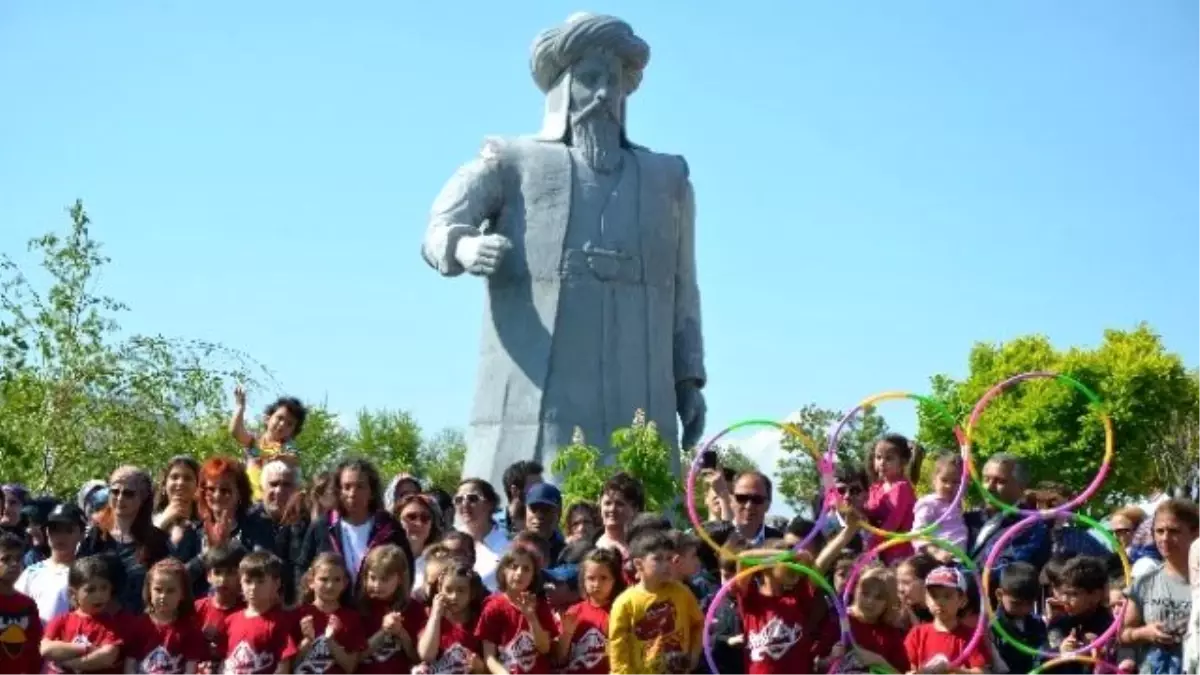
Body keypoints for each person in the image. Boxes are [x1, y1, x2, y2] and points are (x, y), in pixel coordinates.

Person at [420, 12, 708, 491]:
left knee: (641, 497)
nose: (603, 94)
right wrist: (464, 246)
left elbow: (684, 289)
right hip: (542, 380)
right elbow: (439, 226)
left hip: (636, 383)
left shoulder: (666, 180)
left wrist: (688, 378)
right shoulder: (511, 161)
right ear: (561, 87)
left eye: (613, 81)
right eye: (589, 79)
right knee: (537, 489)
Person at [296, 458, 416, 591]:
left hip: (377, 603)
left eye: (360, 486)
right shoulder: (322, 526)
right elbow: (303, 569)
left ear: (371, 491)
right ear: (338, 491)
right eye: (347, 487)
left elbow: (406, 571)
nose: (353, 493)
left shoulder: (389, 527)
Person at [732, 540, 838, 674]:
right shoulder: (751, 600)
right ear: (767, 566)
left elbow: (822, 562)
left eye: (794, 563)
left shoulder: (798, 599)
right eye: (788, 562)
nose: (793, 567)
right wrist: (788, 555)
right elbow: (743, 558)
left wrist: (849, 531)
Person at [1121, 498, 1199, 674]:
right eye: (1159, 531)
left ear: (1196, 533)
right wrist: (1145, 633)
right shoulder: (1144, 582)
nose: (1165, 538)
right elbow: (1122, 634)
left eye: (1174, 531)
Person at [78, 466, 171, 613]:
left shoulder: (158, 541)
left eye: (129, 493)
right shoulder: (94, 536)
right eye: (115, 491)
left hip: (142, 621)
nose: (120, 498)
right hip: (100, 621)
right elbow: (78, 582)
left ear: (143, 497)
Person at [608, 532, 702, 674]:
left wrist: (694, 655)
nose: (666, 565)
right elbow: (618, 648)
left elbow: (698, 624)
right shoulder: (625, 603)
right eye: (658, 559)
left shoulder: (682, 592)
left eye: (669, 558)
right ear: (639, 564)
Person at [477, 544, 559, 675]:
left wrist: (531, 617)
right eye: (514, 567)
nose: (519, 573)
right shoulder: (492, 607)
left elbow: (544, 648)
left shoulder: (541, 605)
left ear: (533, 576)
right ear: (503, 570)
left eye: (526, 569)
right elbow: (489, 657)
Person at [40, 556, 124, 675]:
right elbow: (46, 649)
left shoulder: (111, 624)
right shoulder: (62, 620)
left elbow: (107, 656)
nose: (99, 595)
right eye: (90, 590)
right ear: (73, 593)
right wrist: (86, 649)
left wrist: (68, 663)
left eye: (104, 588)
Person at [217, 551, 297, 675]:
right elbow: (225, 661)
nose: (253, 587)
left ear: (276, 584)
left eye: (260, 581)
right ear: (240, 582)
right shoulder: (231, 620)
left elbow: (283, 666)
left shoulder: (278, 622)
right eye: (248, 581)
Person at [122, 558, 207, 674]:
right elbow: (130, 664)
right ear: (149, 591)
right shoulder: (139, 626)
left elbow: (191, 668)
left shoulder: (189, 629)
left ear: (182, 593)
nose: (163, 596)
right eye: (158, 590)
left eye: (170, 591)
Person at [229, 385, 308, 504]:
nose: (282, 424)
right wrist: (240, 407)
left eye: (289, 424)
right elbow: (236, 432)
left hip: (278, 503)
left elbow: (293, 459)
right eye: (279, 418)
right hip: (252, 502)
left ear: (294, 431)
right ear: (267, 419)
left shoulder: (288, 447)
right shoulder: (254, 442)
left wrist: (276, 457)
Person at [904, 566, 989, 675]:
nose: (940, 602)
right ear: (926, 599)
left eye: (947, 596)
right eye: (934, 596)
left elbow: (983, 672)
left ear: (962, 600)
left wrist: (958, 671)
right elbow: (908, 668)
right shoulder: (917, 634)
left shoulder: (971, 637)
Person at [293, 552, 368, 674]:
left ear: (345, 583)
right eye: (324, 579)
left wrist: (330, 641)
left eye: (337, 580)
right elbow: (290, 665)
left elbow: (350, 667)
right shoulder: (298, 615)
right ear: (311, 581)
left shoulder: (351, 618)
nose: (330, 586)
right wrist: (307, 640)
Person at [555, 547, 623, 674]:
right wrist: (567, 634)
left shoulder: (620, 611)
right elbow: (560, 659)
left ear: (614, 580)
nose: (596, 584)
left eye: (603, 578)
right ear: (583, 580)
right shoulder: (574, 612)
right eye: (591, 578)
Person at [358, 544, 423, 675]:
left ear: (400, 579)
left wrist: (401, 633)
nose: (377, 585)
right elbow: (355, 658)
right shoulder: (359, 607)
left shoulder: (414, 608)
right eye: (372, 578)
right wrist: (383, 631)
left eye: (384, 579)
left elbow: (417, 657)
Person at [16, 503, 85, 625]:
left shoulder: (88, 573)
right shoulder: (31, 573)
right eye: (55, 529)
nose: (61, 536)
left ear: (81, 534)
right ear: (47, 532)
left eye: (68, 530)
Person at [415, 561, 488, 673]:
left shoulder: (480, 621)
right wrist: (436, 615)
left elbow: (489, 666)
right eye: (448, 590)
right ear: (440, 588)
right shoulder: (429, 614)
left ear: (472, 593)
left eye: (461, 590)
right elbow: (426, 655)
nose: (454, 596)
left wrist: (479, 667)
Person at [1045, 556, 1112, 675]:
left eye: (1073, 594)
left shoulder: (1110, 625)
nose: (1064, 600)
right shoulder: (1059, 624)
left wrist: (1098, 651)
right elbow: (1039, 658)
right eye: (1064, 593)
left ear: (1096, 595)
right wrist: (1059, 651)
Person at [839, 567, 907, 674]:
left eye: (879, 597)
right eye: (865, 593)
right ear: (856, 592)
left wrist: (879, 661)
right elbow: (818, 663)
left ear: (888, 602)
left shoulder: (890, 634)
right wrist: (831, 658)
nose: (870, 601)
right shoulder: (841, 621)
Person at [864, 434, 920, 564]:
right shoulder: (875, 488)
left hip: (900, 552)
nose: (882, 463)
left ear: (903, 462)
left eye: (889, 458)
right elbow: (870, 514)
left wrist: (871, 543)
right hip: (882, 549)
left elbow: (893, 523)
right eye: (878, 457)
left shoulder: (902, 487)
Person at [193, 544, 245, 675]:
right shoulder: (198, 608)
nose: (223, 579)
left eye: (230, 573)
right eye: (217, 573)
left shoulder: (247, 610)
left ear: (241, 576)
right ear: (208, 576)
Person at [453, 478, 510, 591]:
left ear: (490, 504)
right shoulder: (449, 541)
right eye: (459, 500)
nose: (465, 504)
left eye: (472, 498)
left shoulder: (507, 545)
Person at [991, 561, 1047, 675]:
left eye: (1030, 603)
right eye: (1016, 603)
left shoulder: (1037, 623)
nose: (1024, 609)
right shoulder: (992, 628)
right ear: (999, 595)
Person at [910, 452, 968, 558]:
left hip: (957, 560)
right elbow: (917, 533)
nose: (949, 486)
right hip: (933, 559)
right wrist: (935, 552)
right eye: (944, 480)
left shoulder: (957, 505)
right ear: (934, 480)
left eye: (956, 482)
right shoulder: (930, 503)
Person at [0, 531, 42, 675]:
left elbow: (35, 649)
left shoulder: (27, 605)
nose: (14, 564)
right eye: (5, 559)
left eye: (18, 559)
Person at [523, 483, 565, 563]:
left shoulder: (567, 555)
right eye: (534, 509)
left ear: (559, 514)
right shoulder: (513, 550)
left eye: (545, 510)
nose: (539, 516)